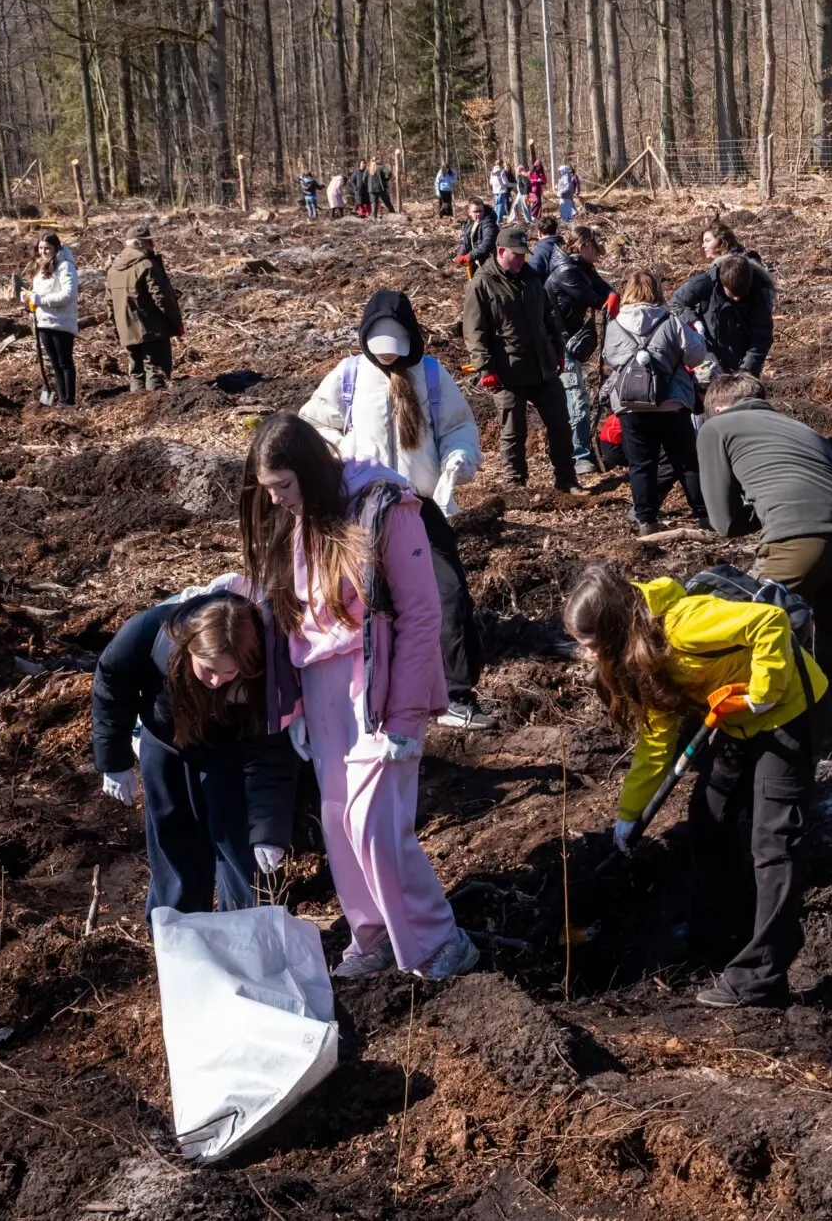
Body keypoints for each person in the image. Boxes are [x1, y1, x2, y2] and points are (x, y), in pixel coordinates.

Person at [239, 411, 479, 982]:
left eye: (282, 488)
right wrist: (293, 705)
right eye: (268, 490)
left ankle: (440, 938)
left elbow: (422, 614)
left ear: (309, 473)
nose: (275, 503)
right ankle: (369, 936)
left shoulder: (382, 506)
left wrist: (403, 714)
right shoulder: (296, 518)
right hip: (321, 685)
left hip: (380, 681)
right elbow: (288, 616)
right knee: (337, 823)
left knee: (374, 821)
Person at [563, 562, 826, 1008]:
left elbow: (770, 621)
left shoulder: (686, 625)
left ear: (611, 630)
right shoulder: (644, 653)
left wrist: (763, 690)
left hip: (786, 712)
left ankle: (760, 977)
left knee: (774, 841)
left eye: (590, 645)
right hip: (737, 722)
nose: (587, 655)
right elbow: (655, 743)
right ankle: (720, 934)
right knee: (708, 819)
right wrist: (629, 817)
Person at [300, 290, 494, 732]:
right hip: (360, 509)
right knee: (365, 600)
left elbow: (459, 427)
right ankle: (365, 693)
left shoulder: (429, 374)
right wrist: (342, 453)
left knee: (448, 595)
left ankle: (456, 694)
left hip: (421, 507)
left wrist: (457, 461)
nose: (388, 361)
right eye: (380, 352)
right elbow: (312, 424)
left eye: (396, 353)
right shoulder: (348, 376)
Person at [90, 592, 300, 920]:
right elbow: (112, 685)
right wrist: (114, 761)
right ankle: (179, 936)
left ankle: (248, 934)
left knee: (239, 845)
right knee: (174, 843)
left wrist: (269, 833)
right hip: (165, 742)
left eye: (230, 673)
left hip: (231, 753)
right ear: (189, 647)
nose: (217, 681)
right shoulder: (149, 633)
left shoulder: (265, 668)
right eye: (209, 670)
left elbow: (269, 756)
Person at [698, 373, 832, 763]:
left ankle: (748, 751)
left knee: (755, 638)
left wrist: (760, 512)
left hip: (794, 542)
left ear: (717, 407)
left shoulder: (716, 428)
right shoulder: (802, 428)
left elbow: (723, 521)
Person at [463, 223, 581, 491]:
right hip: (507, 372)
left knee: (560, 423)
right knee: (514, 432)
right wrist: (485, 368)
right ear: (500, 251)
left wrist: (557, 351)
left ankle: (566, 479)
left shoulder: (530, 276)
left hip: (542, 366)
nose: (521, 259)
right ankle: (515, 484)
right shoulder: (482, 283)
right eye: (516, 254)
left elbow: (548, 315)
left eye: (523, 254)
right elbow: (474, 330)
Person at [603, 269, 710, 534]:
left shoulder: (614, 324)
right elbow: (695, 357)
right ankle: (705, 516)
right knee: (686, 462)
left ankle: (647, 520)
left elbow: (610, 358)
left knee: (641, 465)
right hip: (672, 404)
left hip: (631, 404)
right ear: (656, 292)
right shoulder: (670, 321)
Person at [545, 224, 618, 476]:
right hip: (559, 342)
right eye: (595, 247)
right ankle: (579, 455)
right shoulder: (566, 271)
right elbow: (592, 297)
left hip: (569, 338)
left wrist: (612, 295)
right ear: (583, 245)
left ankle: (578, 449)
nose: (598, 253)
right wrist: (606, 300)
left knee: (576, 395)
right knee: (575, 395)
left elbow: (602, 287)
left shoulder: (583, 268)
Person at [669, 248, 776, 378]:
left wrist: (746, 370)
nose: (737, 298)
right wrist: (694, 322)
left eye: (742, 294)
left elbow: (761, 338)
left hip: (741, 361)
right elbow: (677, 302)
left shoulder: (758, 297)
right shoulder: (704, 284)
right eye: (733, 293)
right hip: (707, 356)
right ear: (722, 282)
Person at [107, 221, 183, 393]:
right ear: (137, 243)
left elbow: (109, 303)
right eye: (148, 241)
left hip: (128, 331)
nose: (152, 245)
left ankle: (139, 409)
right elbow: (162, 298)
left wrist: (118, 328)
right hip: (152, 330)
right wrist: (176, 321)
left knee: (137, 373)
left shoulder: (113, 270)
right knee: (156, 372)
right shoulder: (147, 265)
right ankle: (155, 410)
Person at [28, 231, 80, 406]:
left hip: (61, 322)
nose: (43, 251)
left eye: (47, 248)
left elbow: (69, 294)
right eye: (41, 248)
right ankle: (61, 397)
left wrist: (42, 300)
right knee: (54, 363)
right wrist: (29, 298)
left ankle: (70, 400)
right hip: (43, 321)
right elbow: (39, 293)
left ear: (56, 248)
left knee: (64, 362)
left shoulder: (65, 266)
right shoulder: (40, 267)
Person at [457, 198, 499, 275]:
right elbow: (466, 242)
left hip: (489, 262)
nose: (478, 214)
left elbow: (487, 244)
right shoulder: (470, 223)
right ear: (469, 212)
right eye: (475, 212)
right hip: (476, 260)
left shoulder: (489, 223)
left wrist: (470, 256)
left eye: (480, 211)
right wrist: (461, 254)